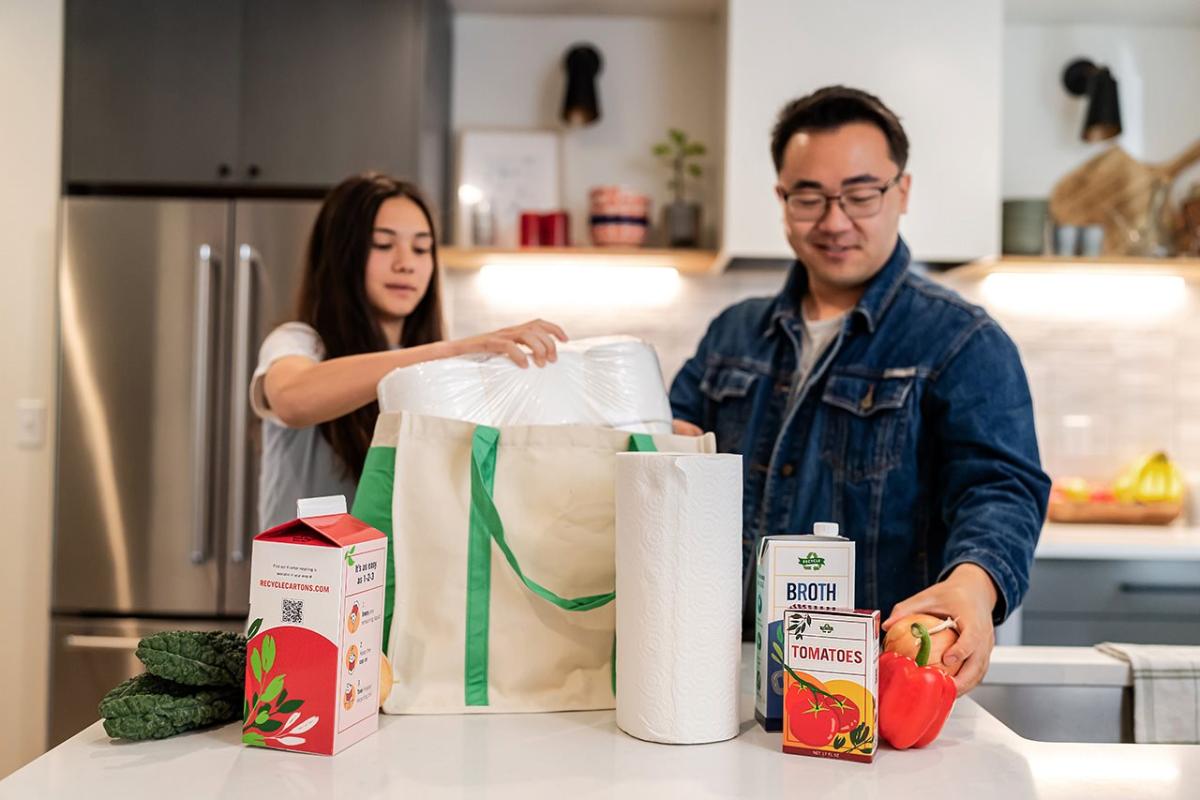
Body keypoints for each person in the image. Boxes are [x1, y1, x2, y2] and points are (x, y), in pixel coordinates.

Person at [669, 87, 1050, 695]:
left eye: (861, 194)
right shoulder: (733, 333)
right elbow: (669, 447)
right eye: (809, 197)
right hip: (715, 679)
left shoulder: (962, 340)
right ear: (781, 198)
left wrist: (973, 586)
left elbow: (1000, 489)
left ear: (901, 192)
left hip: (874, 691)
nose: (834, 221)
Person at [251, 173, 567, 530]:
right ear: (341, 255)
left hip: (390, 582)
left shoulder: (431, 368)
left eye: (421, 248)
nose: (406, 263)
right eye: (383, 245)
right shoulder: (300, 342)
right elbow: (292, 399)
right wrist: (449, 351)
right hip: (305, 581)